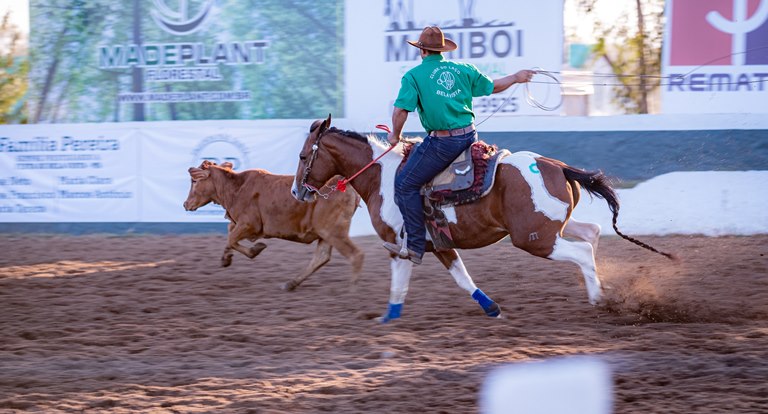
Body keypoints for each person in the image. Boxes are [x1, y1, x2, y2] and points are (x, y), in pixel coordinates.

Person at [383, 26, 534, 265]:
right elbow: (493, 86)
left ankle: (415, 245)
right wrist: (516, 77)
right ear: (442, 50)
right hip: (469, 137)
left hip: (443, 143)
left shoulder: (413, 76)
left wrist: (395, 135)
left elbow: (401, 110)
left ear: (422, 50)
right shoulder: (463, 70)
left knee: (404, 184)